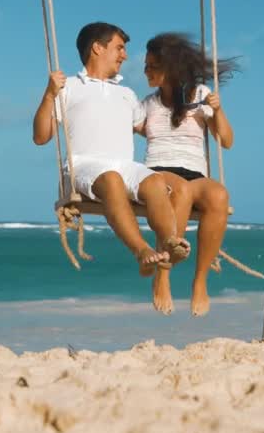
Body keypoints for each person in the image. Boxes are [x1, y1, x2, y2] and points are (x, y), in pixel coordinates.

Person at [32, 22, 190, 294]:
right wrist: (49, 95)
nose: (125, 55)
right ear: (97, 48)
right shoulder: (67, 86)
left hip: (125, 166)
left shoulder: (127, 94)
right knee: (112, 180)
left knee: (155, 183)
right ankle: (141, 250)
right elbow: (41, 136)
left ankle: (168, 246)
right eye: (119, 48)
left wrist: (191, 110)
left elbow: (152, 129)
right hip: (84, 165)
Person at [139, 32, 238, 317]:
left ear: (168, 68)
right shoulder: (147, 104)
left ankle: (200, 283)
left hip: (194, 175)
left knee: (218, 194)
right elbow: (124, 126)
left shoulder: (200, 95)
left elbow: (227, 141)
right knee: (178, 188)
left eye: (150, 66)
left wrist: (217, 112)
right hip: (159, 173)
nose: (145, 71)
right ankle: (164, 276)